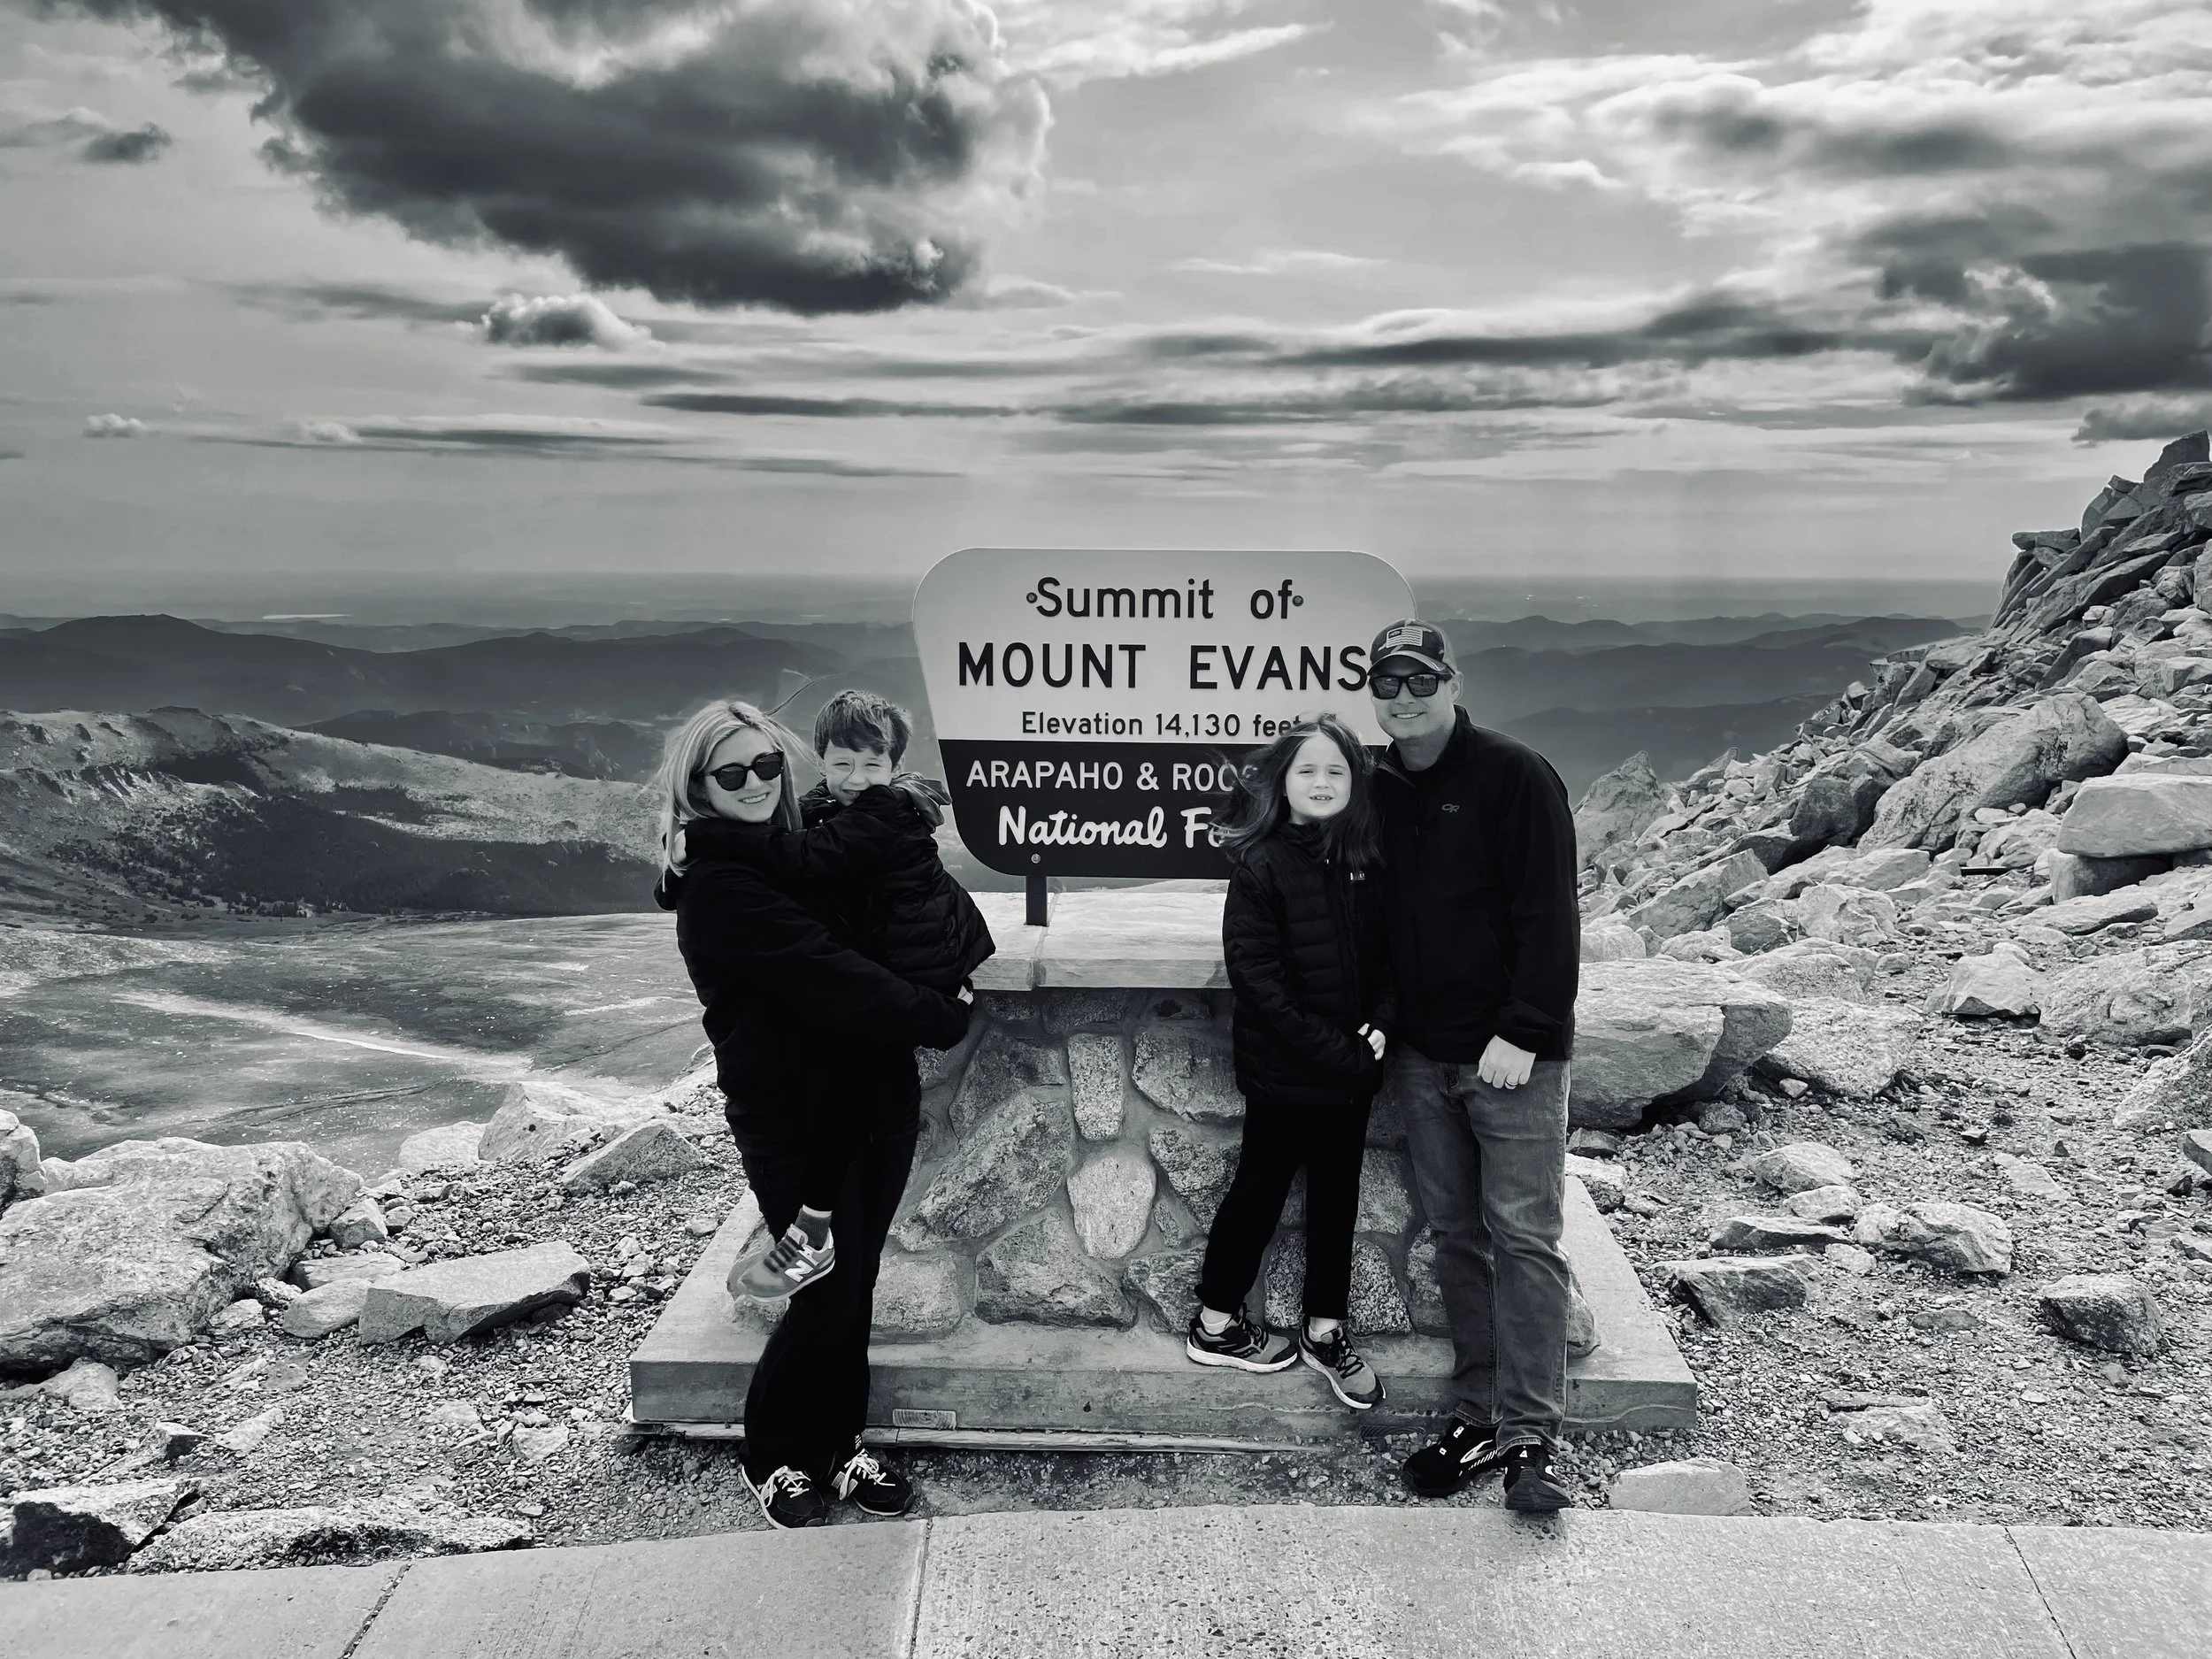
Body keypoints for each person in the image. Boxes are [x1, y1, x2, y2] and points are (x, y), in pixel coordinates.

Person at [654, 698, 972, 1530]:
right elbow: (834, 973)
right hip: (792, 1119)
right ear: (697, 786)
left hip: (874, 1096)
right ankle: (774, 1455)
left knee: (856, 1279)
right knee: (824, 1291)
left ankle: (837, 1444)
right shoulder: (720, 886)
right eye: (733, 772)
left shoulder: (799, 849)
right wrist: (941, 1013)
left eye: (768, 766)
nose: (757, 782)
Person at [679, 689, 994, 1302]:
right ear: (820, 759)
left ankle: (810, 1232)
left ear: (894, 765)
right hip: (885, 987)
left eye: (872, 765)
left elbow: (804, 856)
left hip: (920, 964)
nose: (857, 778)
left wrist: (709, 839)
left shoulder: (880, 809)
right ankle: (811, 1231)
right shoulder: (837, 807)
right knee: (854, 1092)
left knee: (854, 1086)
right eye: (843, 764)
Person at [1366, 620, 1580, 1514]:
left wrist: (1522, 1029)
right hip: (1419, 1053)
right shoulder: (1372, 785)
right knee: (1458, 1236)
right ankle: (1476, 1409)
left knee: (1523, 1237)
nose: (1405, 697)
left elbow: (1548, 911)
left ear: (1452, 682)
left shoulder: (1513, 773)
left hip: (1509, 1055)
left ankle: (1531, 1430)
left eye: (1421, 680)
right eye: (1388, 682)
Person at [1186, 715, 1396, 1412]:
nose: (1322, 781)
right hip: (1287, 1070)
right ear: (1282, 781)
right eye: (1307, 769)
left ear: (1354, 782)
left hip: (1350, 1069)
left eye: (1336, 770)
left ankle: (1325, 1331)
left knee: (1337, 1198)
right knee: (1261, 1192)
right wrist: (1346, 1055)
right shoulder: (1262, 863)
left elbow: (1395, 958)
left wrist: (1383, 1027)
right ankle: (1214, 1323)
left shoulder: (1367, 856)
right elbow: (1260, 982)